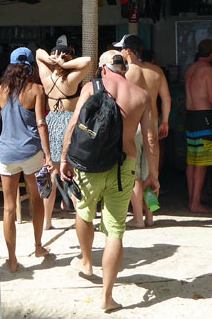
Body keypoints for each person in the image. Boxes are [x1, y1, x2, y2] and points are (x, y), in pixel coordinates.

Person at [58, 50, 158, 312]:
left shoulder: (92, 87)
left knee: (84, 211)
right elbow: (150, 139)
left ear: (104, 69)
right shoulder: (142, 95)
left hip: (90, 165)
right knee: (115, 230)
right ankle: (107, 297)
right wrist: (153, 175)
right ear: (124, 68)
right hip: (124, 167)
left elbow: (73, 124)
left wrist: (64, 157)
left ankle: (87, 261)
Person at [0, 47, 52, 272]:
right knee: (36, 199)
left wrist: (1, 145)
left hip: (7, 154)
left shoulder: (1, 91)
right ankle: (37, 246)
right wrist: (48, 154)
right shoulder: (37, 89)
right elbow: (41, 124)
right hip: (31, 153)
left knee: (8, 208)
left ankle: (12, 260)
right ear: (30, 67)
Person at [113, 34, 169, 228]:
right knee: (151, 173)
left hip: (133, 125)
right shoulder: (156, 71)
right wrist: (165, 121)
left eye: (121, 48)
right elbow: (166, 99)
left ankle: (138, 218)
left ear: (128, 51)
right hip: (152, 124)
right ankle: (150, 216)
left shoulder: (126, 74)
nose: (119, 52)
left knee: (134, 173)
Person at [36, 41, 92, 230]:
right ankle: (80, 218)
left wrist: (53, 61)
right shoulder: (71, 79)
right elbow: (88, 61)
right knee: (73, 174)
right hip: (70, 123)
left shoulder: (47, 78)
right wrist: (64, 63)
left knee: (51, 173)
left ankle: (47, 221)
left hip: (51, 122)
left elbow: (38, 53)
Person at [184, 38, 212, 214]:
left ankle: (193, 198)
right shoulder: (209, 70)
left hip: (190, 117)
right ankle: (196, 203)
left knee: (192, 160)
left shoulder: (190, 69)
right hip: (204, 117)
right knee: (202, 162)